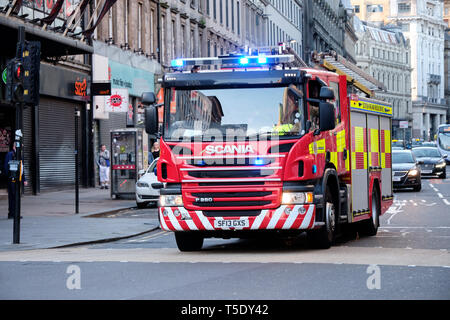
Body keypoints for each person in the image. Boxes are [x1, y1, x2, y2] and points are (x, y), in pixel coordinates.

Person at [4, 143, 27, 219]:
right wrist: (10, 177)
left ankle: (14, 213)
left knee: (15, 196)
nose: (21, 149)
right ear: (15, 146)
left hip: (18, 179)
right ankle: (12, 213)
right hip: (12, 179)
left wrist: (24, 179)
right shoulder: (10, 154)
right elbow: (6, 167)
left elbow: (22, 168)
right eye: (20, 147)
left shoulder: (19, 155)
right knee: (13, 196)